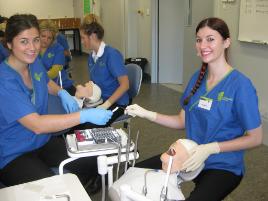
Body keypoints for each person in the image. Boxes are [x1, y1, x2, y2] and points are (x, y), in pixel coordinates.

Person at [125, 17, 263, 201]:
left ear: (226, 42)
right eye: (199, 40)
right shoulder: (197, 79)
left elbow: (255, 138)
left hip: (223, 165)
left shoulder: (241, 86)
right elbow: (182, 121)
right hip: (187, 158)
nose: (203, 45)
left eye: (210, 39)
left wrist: (211, 149)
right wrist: (147, 114)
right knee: (133, 173)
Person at [0, 14, 113, 190]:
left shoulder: (33, 62)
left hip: (41, 141)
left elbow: (45, 81)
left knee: (91, 160)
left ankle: (84, 186)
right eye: (24, 41)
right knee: (52, 189)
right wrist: (83, 115)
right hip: (13, 153)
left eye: (36, 40)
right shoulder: (4, 81)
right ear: (9, 44)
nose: (32, 47)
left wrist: (61, 92)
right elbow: (37, 124)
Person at [109, 139, 204, 201]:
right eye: (170, 150)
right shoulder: (175, 194)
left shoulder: (146, 173)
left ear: (186, 166)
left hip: (116, 189)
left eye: (172, 152)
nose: (164, 157)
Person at [78, 14, 130, 127]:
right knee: (78, 121)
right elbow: (95, 84)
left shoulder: (111, 55)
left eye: (83, 37)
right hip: (100, 100)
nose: (82, 41)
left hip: (117, 103)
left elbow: (125, 85)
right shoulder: (92, 57)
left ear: (91, 36)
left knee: (91, 125)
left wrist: (106, 104)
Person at [39, 20, 76, 95]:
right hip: (43, 87)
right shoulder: (33, 48)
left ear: (53, 39)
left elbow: (54, 72)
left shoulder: (58, 49)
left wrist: (37, 78)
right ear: (38, 34)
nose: (45, 40)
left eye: (49, 38)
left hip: (62, 87)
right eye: (43, 36)